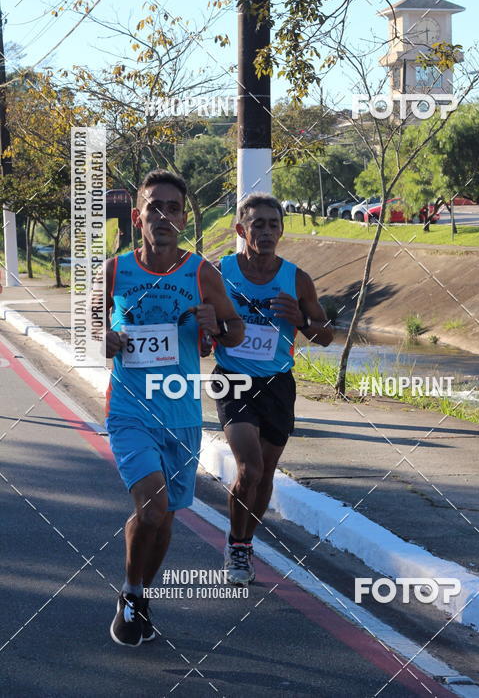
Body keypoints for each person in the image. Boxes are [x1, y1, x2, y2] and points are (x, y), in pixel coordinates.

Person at [103, 169, 244, 647]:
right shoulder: (115, 271)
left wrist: (215, 325)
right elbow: (87, 328)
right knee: (152, 505)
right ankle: (130, 592)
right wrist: (103, 339)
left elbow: (235, 331)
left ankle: (140, 594)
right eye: (154, 207)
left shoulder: (201, 272)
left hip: (182, 414)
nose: (163, 216)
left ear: (184, 218)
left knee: (164, 517)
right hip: (130, 410)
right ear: (137, 216)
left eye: (173, 208)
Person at [211, 192, 334, 584]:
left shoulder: (296, 279)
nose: (266, 231)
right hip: (233, 379)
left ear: (282, 231)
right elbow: (196, 318)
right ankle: (237, 546)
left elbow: (326, 336)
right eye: (257, 224)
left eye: (273, 224)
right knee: (249, 468)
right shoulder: (219, 272)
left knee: (265, 474)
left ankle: (244, 542)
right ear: (241, 229)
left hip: (278, 383)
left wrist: (301, 319)